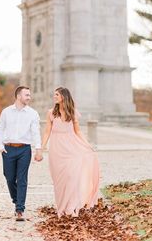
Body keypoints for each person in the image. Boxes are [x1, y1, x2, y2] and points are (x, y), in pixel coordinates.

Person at [41, 87, 100, 217]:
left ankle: (71, 207)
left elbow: (78, 131)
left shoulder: (72, 113)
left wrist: (87, 145)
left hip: (71, 149)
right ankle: (61, 207)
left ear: (63, 96)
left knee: (72, 177)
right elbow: (47, 132)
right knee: (59, 180)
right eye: (54, 94)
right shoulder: (51, 113)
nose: (54, 96)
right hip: (56, 150)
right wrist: (42, 147)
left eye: (57, 94)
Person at [0, 86, 43, 221]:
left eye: (29, 95)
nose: (29, 97)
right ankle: (16, 199)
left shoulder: (33, 113)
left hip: (25, 149)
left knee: (22, 179)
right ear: (18, 96)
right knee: (9, 177)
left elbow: (35, 132)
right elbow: (0, 129)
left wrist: (38, 149)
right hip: (8, 149)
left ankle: (20, 209)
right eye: (27, 95)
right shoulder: (6, 112)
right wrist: (0, 146)